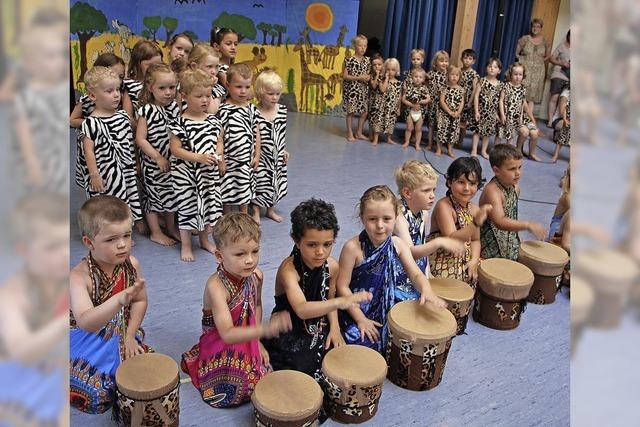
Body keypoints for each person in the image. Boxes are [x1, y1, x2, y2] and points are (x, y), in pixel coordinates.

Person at [181, 213, 291, 408]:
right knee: (229, 392)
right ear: (219, 256)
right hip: (220, 346)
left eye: (255, 251)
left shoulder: (255, 276)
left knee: (264, 372)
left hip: (247, 338)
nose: (250, 260)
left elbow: (255, 306)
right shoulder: (216, 287)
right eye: (240, 254)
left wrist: (257, 342)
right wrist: (264, 330)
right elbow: (228, 334)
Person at [262, 199, 371, 379]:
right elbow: (302, 310)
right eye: (312, 245)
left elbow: (329, 298)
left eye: (327, 244)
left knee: (344, 350)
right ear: (297, 241)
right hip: (290, 324)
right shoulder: (288, 270)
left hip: (319, 322)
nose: (320, 252)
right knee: (301, 367)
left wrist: (335, 327)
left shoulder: (332, 266)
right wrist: (343, 301)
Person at [337, 185, 446, 354]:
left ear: (396, 217)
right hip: (358, 308)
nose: (380, 225)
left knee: (415, 327)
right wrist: (360, 319)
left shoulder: (398, 244)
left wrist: (427, 289)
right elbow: (342, 287)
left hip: (388, 301)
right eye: (372, 219)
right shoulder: (352, 248)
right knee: (362, 342)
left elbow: (416, 273)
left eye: (386, 219)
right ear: (362, 218)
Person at [70, 196, 151, 414]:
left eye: (127, 235)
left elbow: (141, 301)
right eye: (111, 239)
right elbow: (86, 322)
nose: (123, 244)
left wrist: (129, 335)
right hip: (86, 338)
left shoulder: (131, 265)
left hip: (120, 332)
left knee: (143, 374)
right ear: (89, 242)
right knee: (97, 394)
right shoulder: (79, 277)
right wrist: (119, 300)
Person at [0, 194, 68, 425]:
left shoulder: (61, 281)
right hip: (17, 394)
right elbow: (22, 350)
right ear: (25, 251)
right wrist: (62, 321)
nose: (65, 254)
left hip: (51, 380)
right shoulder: (13, 293)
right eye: (52, 247)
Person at [169, 69, 224, 262]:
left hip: (208, 175)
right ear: (184, 96)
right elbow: (175, 149)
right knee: (187, 208)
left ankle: (204, 239)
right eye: (199, 96)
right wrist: (198, 157)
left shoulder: (213, 121)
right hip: (186, 177)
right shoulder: (180, 123)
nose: (205, 100)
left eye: (208, 96)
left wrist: (219, 156)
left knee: (207, 208)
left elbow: (219, 141)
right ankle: (185, 245)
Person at [78, 66, 143, 225]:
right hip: (104, 173)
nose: (116, 95)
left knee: (124, 199)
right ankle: (107, 231)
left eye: (118, 90)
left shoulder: (122, 116)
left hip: (125, 170)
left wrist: (135, 163)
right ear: (93, 95)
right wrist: (94, 175)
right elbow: (89, 151)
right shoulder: (91, 122)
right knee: (106, 204)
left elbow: (129, 142)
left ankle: (122, 230)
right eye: (109, 91)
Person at [393, 160, 465, 300]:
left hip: (416, 271)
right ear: (407, 192)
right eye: (426, 190)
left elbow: (420, 243)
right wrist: (439, 242)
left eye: (433, 190)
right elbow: (410, 253)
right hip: (400, 276)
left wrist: (428, 274)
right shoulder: (399, 219)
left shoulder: (423, 214)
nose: (432, 195)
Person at [135, 63, 181, 246]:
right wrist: (157, 157)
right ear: (150, 87)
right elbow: (140, 139)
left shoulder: (175, 108)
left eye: (172, 87)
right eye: (162, 88)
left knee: (171, 195)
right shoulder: (146, 110)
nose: (168, 92)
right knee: (153, 198)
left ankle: (170, 227)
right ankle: (155, 231)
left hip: (173, 161)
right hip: (153, 164)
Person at [428, 158, 491, 288]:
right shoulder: (444, 206)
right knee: (451, 293)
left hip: (465, 259)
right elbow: (452, 238)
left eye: (472, 183)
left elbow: (475, 240)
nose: (466, 188)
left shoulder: (473, 209)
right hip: (443, 261)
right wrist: (475, 224)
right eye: (461, 182)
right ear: (450, 182)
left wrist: (474, 261)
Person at [479, 144, 547, 260]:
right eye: (512, 169)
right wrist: (527, 225)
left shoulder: (515, 188)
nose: (518, 173)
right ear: (496, 170)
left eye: (519, 167)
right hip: (490, 247)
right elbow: (499, 221)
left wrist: (516, 236)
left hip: (508, 241)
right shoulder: (493, 191)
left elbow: (511, 215)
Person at [217, 64, 261, 215]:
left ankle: (244, 215)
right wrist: (221, 159)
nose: (243, 91)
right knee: (228, 189)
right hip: (230, 160)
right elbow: (219, 137)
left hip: (246, 161)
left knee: (244, 189)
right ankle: (227, 217)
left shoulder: (252, 109)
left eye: (247, 86)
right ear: (228, 86)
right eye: (238, 86)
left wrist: (257, 155)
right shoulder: (223, 109)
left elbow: (257, 132)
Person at [251, 70, 289, 224]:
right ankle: (255, 211)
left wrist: (284, 149)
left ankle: (270, 209)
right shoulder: (254, 111)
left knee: (275, 183)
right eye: (270, 94)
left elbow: (281, 133)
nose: (275, 97)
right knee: (259, 181)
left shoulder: (282, 111)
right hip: (262, 155)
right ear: (260, 93)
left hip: (277, 155)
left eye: (278, 93)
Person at [497, 63, 541, 161]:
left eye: (520, 75)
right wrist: (503, 115)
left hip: (521, 117)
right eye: (515, 74)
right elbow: (501, 100)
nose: (517, 77)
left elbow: (522, 105)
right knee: (524, 132)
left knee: (534, 133)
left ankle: (531, 153)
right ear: (511, 75)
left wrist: (530, 121)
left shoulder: (522, 88)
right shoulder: (506, 86)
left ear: (523, 76)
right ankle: (518, 150)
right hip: (510, 116)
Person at [70, 53, 126, 129]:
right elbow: (72, 121)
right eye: (112, 76)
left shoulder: (122, 93)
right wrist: (95, 123)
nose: (118, 81)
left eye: (121, 77)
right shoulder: (86, 99)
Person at [121, 40, 163, 123]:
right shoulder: (131, 86)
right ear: (138, 64)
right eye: (150, 65)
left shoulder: (164, 83)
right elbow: (127, 116)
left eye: (159, 64)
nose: (154, 69)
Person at [515, 18, 550, 114]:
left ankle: (528, 119)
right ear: (531, 27)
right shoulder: (525, 39)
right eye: (533, 26)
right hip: (525, 69)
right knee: (522, 93)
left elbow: (548, 56)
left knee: (532, 97)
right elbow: (516, 53)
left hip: (538, 71)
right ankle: (518, 116)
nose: (535, 28)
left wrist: (539, 61)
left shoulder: (545, 41)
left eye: (538, 26)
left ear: (541, 28)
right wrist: (523, 60)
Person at [471, 57, 503, 158]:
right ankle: (474, 149)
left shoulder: (500, 85)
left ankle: (484, 150)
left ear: (499, 70)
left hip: (491, 113)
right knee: (477, 131)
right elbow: (476, 96)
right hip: (481, 110)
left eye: (495, 67)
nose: (492, 69)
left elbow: (499, 101)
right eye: (490, 66)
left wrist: (498, 114)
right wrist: (476, 111)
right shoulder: (482, 81)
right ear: (486, 68)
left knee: (487, 133)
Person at [342, 34, 371, 142]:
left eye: (365, 46)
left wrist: (367, 78)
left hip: (363, 89)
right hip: (352, 90)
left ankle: (359, 132)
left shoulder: (367, 60)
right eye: (360, 46)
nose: (363, 48)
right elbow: (345, 76)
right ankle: (350, 132)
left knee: (364, 112)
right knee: (351, 112)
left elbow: (368, 75)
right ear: (355, 46)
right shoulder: (348, 60)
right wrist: (359, 77)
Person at [370, 58, 402, 145]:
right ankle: (376, 139)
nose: (390, 72)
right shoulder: (382, 80)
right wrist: (387, 79)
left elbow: (399, 97)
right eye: (388, 69)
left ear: (396, 71)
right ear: (385, 69)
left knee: (391, 122)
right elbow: (383, 89)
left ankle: (389, 138)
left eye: (393, 70)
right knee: (379, 121)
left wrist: (398, 108)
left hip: (392, 107)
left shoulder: (399, 83)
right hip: (382, 106)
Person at [187, 44, 226, 114]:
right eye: (209, 67)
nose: (214, 71)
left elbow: (212, 111)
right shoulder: (183, 85)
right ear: (194, 66)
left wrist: (209, 87)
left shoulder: (217, 88)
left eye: (217, 67)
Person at [437, 65, 465, 158]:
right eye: (452, 74)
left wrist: (458, 112)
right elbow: (442, 101)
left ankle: (449, 150)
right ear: (448, 75)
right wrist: (449, 111)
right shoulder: (444, 88)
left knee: (452, 132)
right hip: (444, 114)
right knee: (442, 131)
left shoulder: (461, 89)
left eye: (457, 75)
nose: (454, 77)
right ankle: (439, 148)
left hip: (456, 115)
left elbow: (462, 102)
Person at [401, 67, 430, 150]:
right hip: (410, 111)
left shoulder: (424, 88)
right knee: (409, 128)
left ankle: (417, 144)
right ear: (412, 78)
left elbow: (428, 99)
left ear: (423, 79)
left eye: (420, 77)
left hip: (420, 112)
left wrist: (419, 102)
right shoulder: (409, 88)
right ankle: (407, 141)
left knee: (418, 129)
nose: (417, 79)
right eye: (416, 77)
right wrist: (410, 104)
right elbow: (403, 99)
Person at [426, 50, 450, 152]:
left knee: (441, 125)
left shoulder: (448, 75)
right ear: (435, 62)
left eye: (446, 61)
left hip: (443, 104)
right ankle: (430, 143)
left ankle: (440, 145)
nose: (444, 63)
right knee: (431, 124)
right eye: (441, 61)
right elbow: (426, 85)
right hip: (433, 103)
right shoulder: (431, 74)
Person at [547, 30, 570, 128]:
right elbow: (551, 58)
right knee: (554, 98)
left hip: (570, 77)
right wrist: (562, 63)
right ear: (568, 35)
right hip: (558, 74)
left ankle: (559, 121)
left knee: (563, 100)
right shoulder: (561, 46)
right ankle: (550, 120)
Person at [458, 49, 479, 146]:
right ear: (461, 59)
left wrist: (470, 102)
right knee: (455, 120)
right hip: (457, 99)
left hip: (467, 101)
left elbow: (474, 89)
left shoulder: (474, 74)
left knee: (463, 122)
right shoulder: (459, 71)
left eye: (470, 59)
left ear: (473, 61)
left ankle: (460, 140)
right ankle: (452, 139)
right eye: (465, 58)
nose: (467, 60)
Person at [367, 53, 385, 142]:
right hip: (372, 100)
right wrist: (377, 75)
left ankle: (376, 137)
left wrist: (379, 76)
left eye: (379, 64)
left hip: (380, 101)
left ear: (382, 65)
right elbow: (373, 86)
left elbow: (382, 89)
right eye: (374, 65)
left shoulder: (385, 76)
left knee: (377, 119)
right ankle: (370, 135)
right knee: (371, 118)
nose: (376, 66)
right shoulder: (371, 76)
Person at [551, 87, 570, 162]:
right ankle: (555, 155)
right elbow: (564, 110)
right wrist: (565, 119)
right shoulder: (567, 94)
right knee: (561, 140)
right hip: (564, 120)